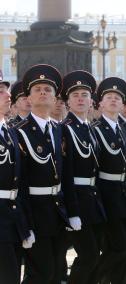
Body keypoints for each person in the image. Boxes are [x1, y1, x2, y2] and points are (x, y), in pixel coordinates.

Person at [17, 64, 69, 284]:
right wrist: (24, 223)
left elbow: (65, 174)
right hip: (35, 213)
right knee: (41, 272)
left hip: (57, 212)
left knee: (58, 271)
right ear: (29, 98)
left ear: (55, 98)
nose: (42, 93)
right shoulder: (18, 132)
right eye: (37, 89)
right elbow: (17, 182)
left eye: (48, 89)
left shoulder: (59, 129)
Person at [60, 70, 107, 284]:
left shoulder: (90, 129)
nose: (80, 98)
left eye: (84, 95)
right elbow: (65, 173)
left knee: (96, 255)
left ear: (91, 102)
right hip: (76, 200)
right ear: (68, 102)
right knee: (88, 256)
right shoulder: (64, 129)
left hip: (92, 200)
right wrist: (72, 210)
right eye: (75, 95)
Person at [90, 77, 126, 283]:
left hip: (123, 194)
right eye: (109, 97)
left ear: (123, 104)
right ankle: (94, 278)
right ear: (101, 103)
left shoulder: (125, 129)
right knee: (119, 247)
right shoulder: (96, 129)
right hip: (106, 194)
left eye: (118, 97)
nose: (114, 100)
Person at [0, 77, 33, 284]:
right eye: (1, 91)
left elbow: (18, 181)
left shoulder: (10, 131)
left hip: (12, 216)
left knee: (13, 274)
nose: (8, 95)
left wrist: (24, 223)